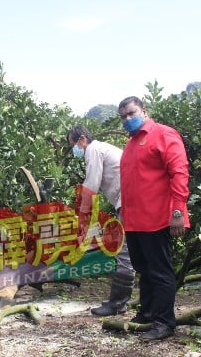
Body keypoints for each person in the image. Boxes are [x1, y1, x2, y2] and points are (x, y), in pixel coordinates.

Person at [117, 95, 190, 341]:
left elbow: (179, 173)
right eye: (123, 116)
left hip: (158, 217)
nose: (128, 119)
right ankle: (147, 313)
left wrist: (178, 211)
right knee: (143, 269)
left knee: (160, 271)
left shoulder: (164, 134)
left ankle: (164, 322)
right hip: (135, 220)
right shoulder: (130, 143)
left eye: (131, 113)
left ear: (144, 111)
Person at [66, 125, 135, 316]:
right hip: (131, 200)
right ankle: (135, 301)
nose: (75, 150)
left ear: (82, 139)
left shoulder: (93, 150)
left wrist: (82, 214)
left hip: (129, 201)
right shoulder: (104, 148)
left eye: (74, 145)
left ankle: (117, 304)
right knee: (135, 251)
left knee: (124, 252)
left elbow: (91, 184)